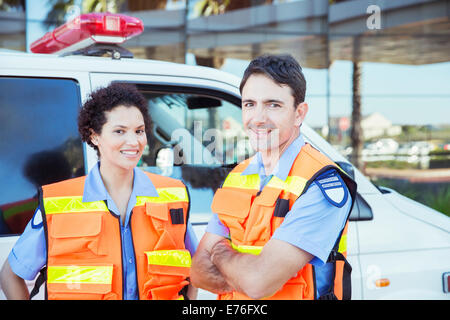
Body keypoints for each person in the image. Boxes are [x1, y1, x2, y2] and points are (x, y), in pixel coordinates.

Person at [0, 83, 198, 300]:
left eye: (139, 131)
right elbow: (10, 275)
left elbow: (195, 270)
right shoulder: (58, 204)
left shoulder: (173, 197)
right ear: (94, 136)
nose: (134, 142)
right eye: (119, 131)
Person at [190, 54, 357, 300]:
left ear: (299, 113)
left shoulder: (320, 183)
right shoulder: (238, 176)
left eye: (273, 105)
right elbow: (198, 273)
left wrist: (218, 252)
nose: (257, 118)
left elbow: (258, 283)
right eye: (249, 104)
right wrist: (245, 275)